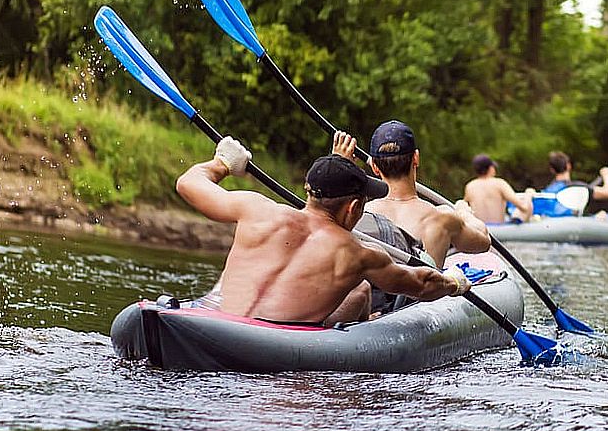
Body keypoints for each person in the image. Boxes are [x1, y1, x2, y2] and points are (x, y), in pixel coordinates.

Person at [176, 137, 472, 327]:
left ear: (309, 192)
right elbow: (420, 285)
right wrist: (453, 283)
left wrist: (222, 164)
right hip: (268, 348)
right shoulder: (359, 254)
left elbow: (188, 183)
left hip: (214, 320)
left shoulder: (256, 209)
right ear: (354, 207)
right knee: (359, 290)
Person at [331, 123, 490, 268]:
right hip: (426, 295)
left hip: (378, 297)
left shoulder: (356, 216)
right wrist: (464, 212)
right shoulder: (442, 217)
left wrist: (339, 167)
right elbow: (483, 241)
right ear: (416, 158)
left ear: (374, 167)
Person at [463, 154, 534, 224]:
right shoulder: (499, 183)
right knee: (528, 205)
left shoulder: (470, 186)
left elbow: (464, 207)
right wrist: (528, 194)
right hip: (499, 229)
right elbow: (524, 207)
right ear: (491, 168)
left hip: (480, 230)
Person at [542, 151, 608, 217]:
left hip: (556, 222)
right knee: (602, 215)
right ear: (568, 166)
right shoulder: (578, 187)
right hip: (571, 223)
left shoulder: (547, 191)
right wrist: (606, 174)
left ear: (552, 170)